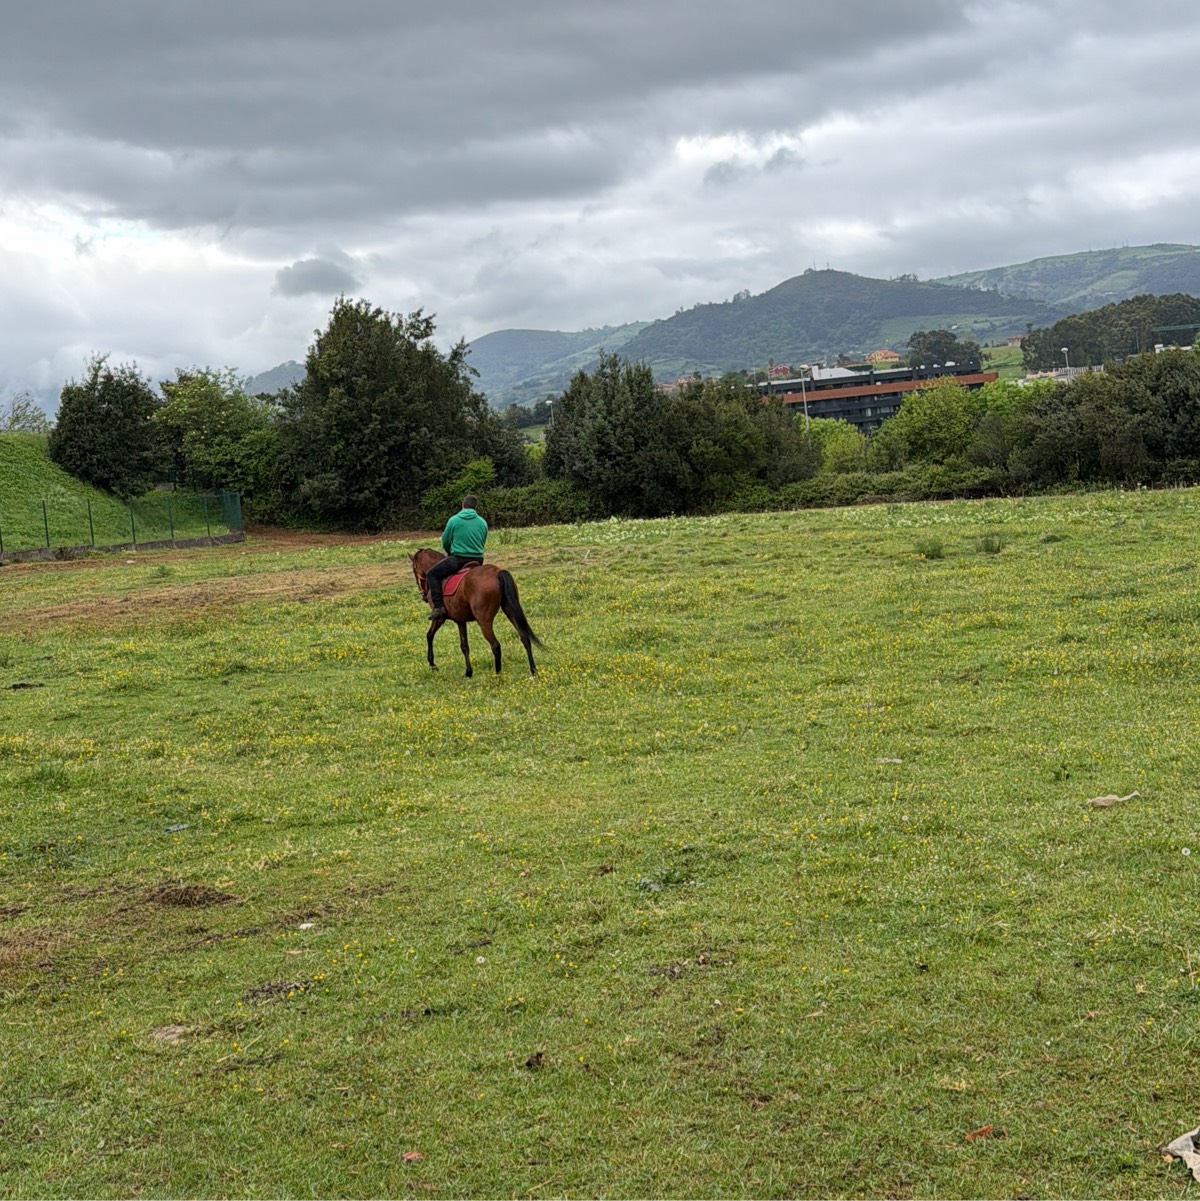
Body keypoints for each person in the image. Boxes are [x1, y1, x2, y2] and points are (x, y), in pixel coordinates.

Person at [426, 494, 488, 619]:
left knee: (432, 574)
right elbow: (483, 539)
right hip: (478, 559)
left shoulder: (454, 520)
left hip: (459, 558)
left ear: (462, 505)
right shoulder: (482, 522)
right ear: (475, 507)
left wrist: (449, 552)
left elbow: (446, 540)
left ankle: (438, 607)